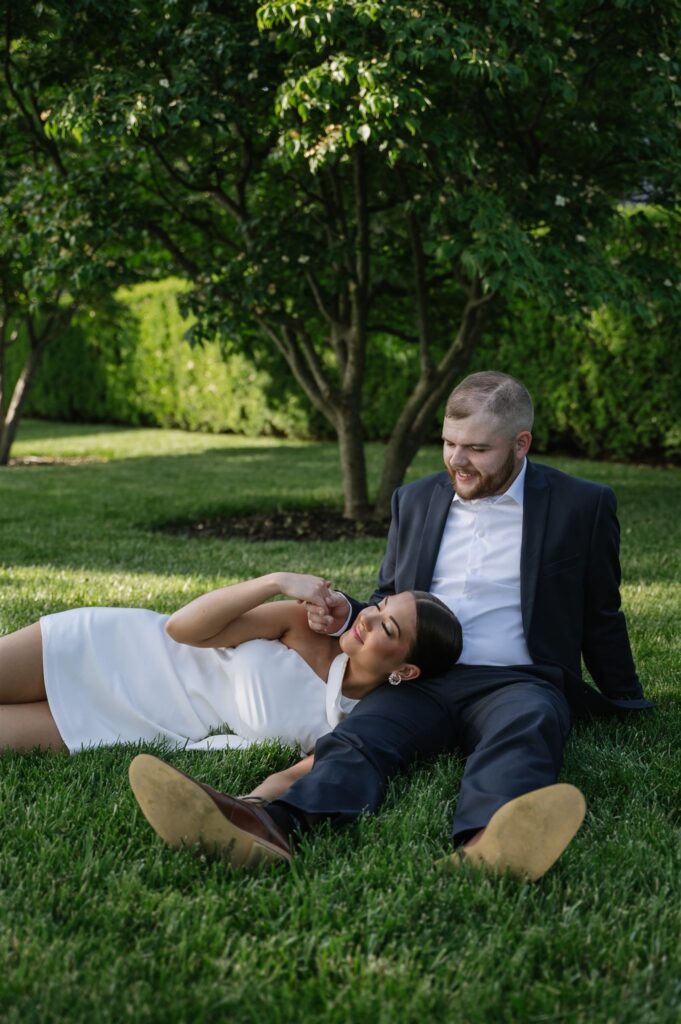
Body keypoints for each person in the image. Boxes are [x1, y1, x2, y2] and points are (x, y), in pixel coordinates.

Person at [129, 371, 653, 881]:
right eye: (448, 443)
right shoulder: (416, 499)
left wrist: (626, 698)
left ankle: (489, 842)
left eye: (476, 449)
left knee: (526, 727)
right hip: (419, 674)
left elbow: (601, 614)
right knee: (359, 740)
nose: (457, 460)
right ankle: (270, 823)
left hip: (518, 678)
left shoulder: (582, 506)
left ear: (521, 443)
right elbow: (389, 597)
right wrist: (352, 614)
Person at [0, 572, 462, 758]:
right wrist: (276, 581)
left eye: (389, 629)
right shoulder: (303, 626)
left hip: (138, 722)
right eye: (380, 607)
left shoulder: (355, 725)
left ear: (406, 671)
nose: (369, 618)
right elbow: (180, 629)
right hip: (116, 650)